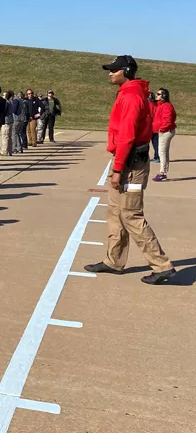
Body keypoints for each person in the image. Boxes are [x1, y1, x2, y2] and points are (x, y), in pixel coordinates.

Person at [85, 55, 176, 285]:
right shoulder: (129, 93)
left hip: (130, 164)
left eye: (114, 70)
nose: (110, 73)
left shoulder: (132, 96)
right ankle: (114, 260)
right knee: (115, 213)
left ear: (125, 71)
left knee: (131, 215)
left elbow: (126, 136)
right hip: (125, 159)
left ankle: (162, 265)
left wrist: (117, 170)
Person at [153, 88, 177, 182]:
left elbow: (168, 119)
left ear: (163, 96)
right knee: (164, 152)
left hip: (166, 131)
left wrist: (162, 129)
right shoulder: (161, 105)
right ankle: (164, 172)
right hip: (165, 131)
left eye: (158, 94)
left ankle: (162, 173)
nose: (156, 95)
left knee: (161, 152)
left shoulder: (166, 106)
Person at [1, 90, 13, 156]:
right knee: (9, 137)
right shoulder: (10, 102)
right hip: (11, 120)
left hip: (6, 121)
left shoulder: (6, 102)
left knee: (5, 136)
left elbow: (4, 111)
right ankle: (10, 151)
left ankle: (4, 151)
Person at [148, 92, 160, 163]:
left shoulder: (148, 105)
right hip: (157, 127)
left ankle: (146, 158)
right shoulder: (157, 105)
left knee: (145, 144)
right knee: (156, 144)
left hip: (150, 127)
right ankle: (157, 157)